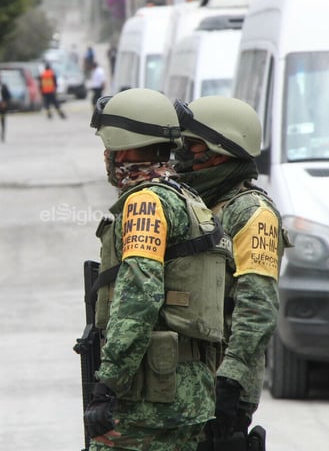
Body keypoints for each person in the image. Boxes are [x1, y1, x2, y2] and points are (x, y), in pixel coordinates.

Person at [85, 89, 228, 451]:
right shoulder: (185, 195)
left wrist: (109, 383)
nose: (107, 156)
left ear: (124, 145)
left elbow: (139, 297)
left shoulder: (145, 203)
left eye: (110, 146)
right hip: (189, 394)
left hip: (149, 402)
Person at [173, 96, 288, 447]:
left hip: (223, 384)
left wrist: (231, 380)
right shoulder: (197, 204)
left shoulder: (252, 213)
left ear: (219, 152)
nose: (181, 154)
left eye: (192, 146)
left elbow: (257, 307)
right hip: (189, 376)